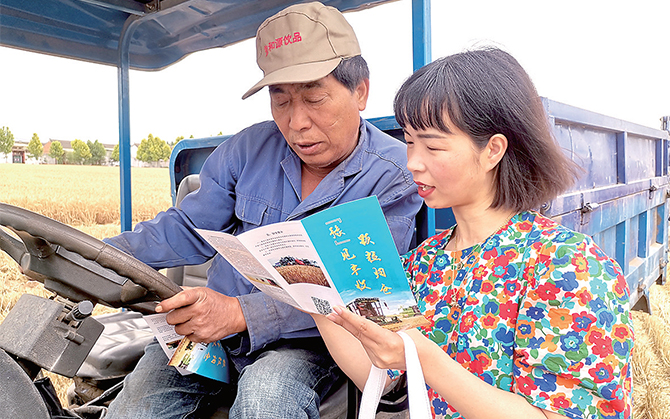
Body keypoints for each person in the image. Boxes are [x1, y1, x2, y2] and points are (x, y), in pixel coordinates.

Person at [104, 2, 422, 419]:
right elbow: (186, 228)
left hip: (310, 343)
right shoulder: (246, 149)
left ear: (360, 91)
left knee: (266, 397)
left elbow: (367, 297)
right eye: (280, 100)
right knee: (137, 405)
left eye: (314, 97)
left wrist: (239, 313)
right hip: (214, 335)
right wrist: (103, 253)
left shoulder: (396, 175)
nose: (297, 122)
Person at [312, 47, 634, 419]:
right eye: (409, 142)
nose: (412, 162)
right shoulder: (423, 262)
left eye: (432, 146)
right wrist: (314, 297)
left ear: (493, 150)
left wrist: (424, 358)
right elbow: (386, 380)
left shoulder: (567, 265)